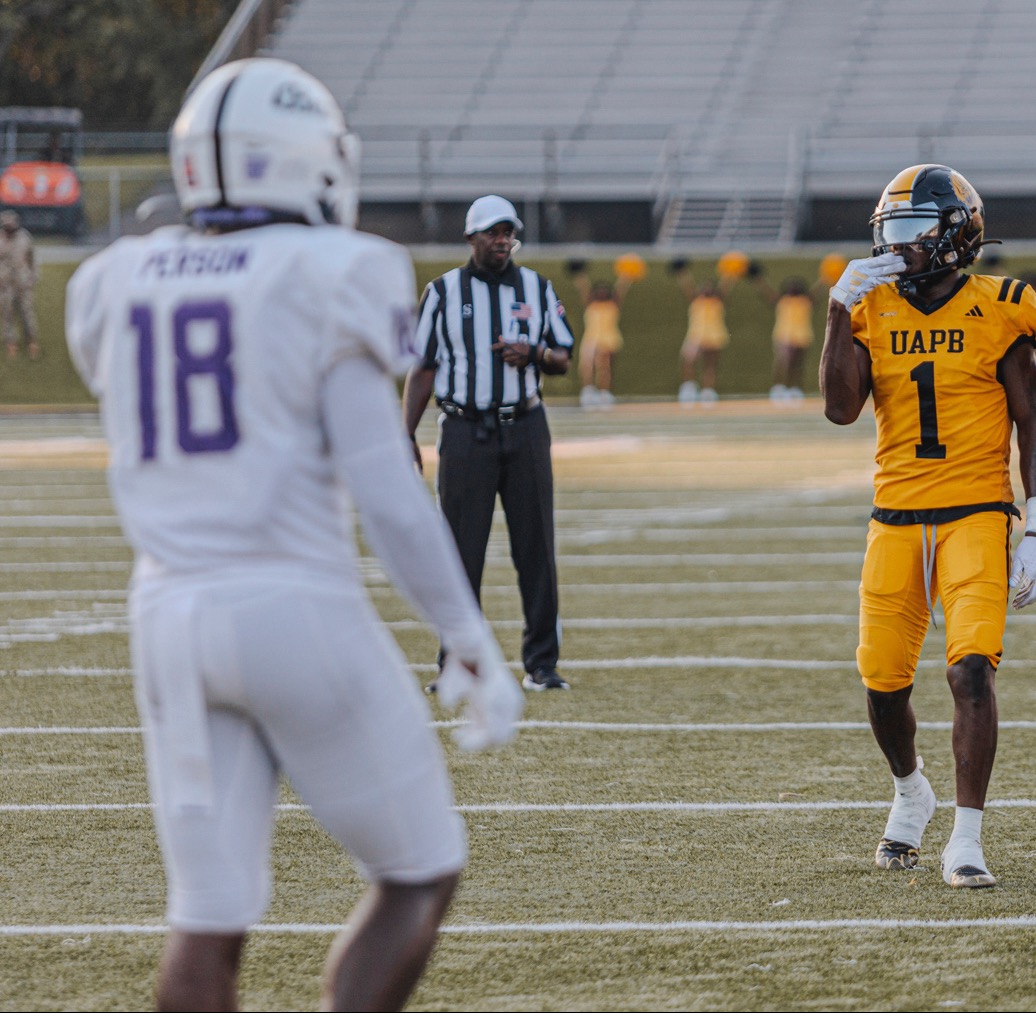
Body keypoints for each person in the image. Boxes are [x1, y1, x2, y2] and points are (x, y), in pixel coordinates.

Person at [62, 58, 522, 1011]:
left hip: (166, 618)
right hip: (291, 604)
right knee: (420, 868)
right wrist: (468, 635)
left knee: (206, 915)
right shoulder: (332, 270)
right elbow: (388, 486)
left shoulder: (114, 279)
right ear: (302, 162)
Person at [820, 164, 1036, 889]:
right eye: (891, 230)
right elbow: (839, 408)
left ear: (956, 236)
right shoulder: (872, 309)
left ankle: (967, 836)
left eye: (914, 230)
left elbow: (1031, 420)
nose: (899, 245)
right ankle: (911, 789)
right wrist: (836, 310)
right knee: (881, 682)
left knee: (970, 668)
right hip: (895, 515)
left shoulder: (1003, 305)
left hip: (976, 512)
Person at [403, 194, 575, 691]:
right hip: (463, 430)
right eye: (493, 233)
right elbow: (424, 368)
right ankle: (458, 662)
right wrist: (405, 432)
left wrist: (535, 352)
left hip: (524, 427)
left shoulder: (536, 288)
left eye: (508, 233)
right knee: (459, 553)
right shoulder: (442, 292)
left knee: (535, 547)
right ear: (471, 237)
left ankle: (541, 664)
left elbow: (562, 356)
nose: (502, 241)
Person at [674, 260, 732, 404]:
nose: (706, 290)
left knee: (710, 365)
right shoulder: (696, 301)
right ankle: (689, 387)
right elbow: (688, 287)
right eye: (703, 288)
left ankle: (708, 391)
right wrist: (683, 273)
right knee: (688, 360)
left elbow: (725, 287)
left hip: (715, 336)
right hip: (696, 336)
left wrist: (730, 272)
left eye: (709, 288)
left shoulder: (718, 302)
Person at [761, 274, 819, 401]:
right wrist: (760, 279)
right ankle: (779, 387)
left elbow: (817, 292)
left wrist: (825, 278)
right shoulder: (782, 301)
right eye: (791, 286)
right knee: (783, 362)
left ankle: (795, 388)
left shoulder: (805, 301)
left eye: (796, 286)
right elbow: (768, 293)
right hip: (784, 335)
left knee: (798, 365)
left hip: (802, 335)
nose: (793, 288)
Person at [578, 274, 631, 410]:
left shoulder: (612, 305)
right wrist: (580, 276)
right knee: (587, 365)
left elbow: (620, 290)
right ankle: (588, 391)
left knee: (605, 367)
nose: (601, 292)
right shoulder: (591, 305)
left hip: (608, 338)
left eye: (604, 290)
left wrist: (626, 276)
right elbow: (584, 288)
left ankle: (604, 392)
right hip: (591, 338)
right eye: (599, 290)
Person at [0, 209, 39, 360]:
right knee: (7, 313)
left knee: (27, 312)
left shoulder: (24, 238)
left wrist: (33, 276)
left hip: (23, 282)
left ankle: (32, 341)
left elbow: (32, 258)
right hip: (5, 283)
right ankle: (11, 342)